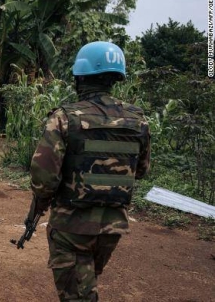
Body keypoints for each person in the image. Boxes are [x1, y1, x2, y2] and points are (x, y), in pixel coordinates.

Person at [28, 41, 151, 301]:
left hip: (72, 225)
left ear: (80, 76)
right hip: (112, 226)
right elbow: (140, 170)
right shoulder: (137, 119)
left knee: (78, 294)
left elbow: (44, 176)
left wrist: (41, 204)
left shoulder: (65, 117)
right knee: (86, 283)